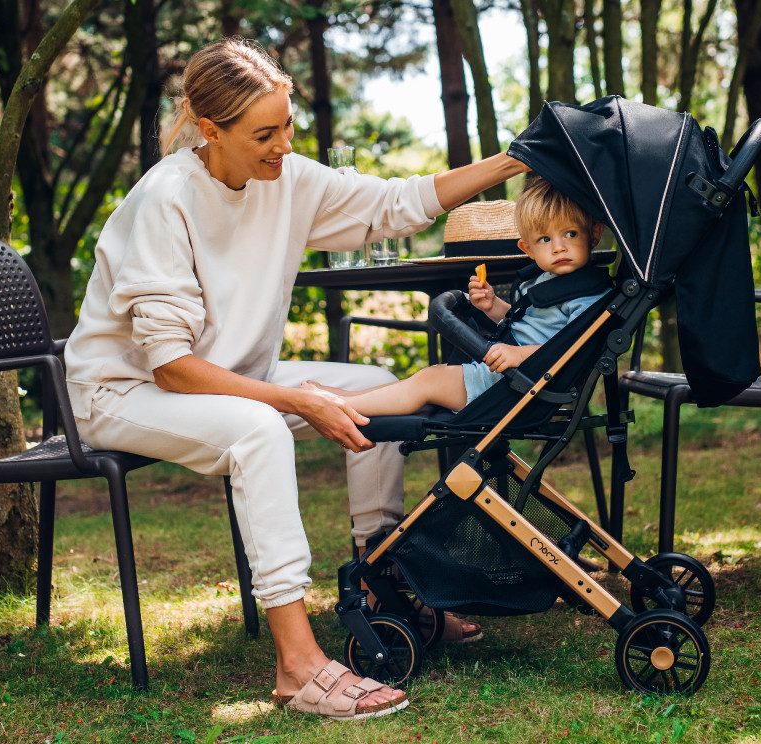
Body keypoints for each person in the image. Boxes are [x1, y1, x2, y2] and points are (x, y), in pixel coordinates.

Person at [63, 37, 527, 720]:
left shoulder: (285, 177)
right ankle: (298, 666)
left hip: (230, 373)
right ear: (209, 128)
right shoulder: (164, 199)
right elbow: (170, 364)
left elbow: (398, 203)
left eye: (287, 126)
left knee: (371, 379)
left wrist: (514, 159)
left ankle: (383, 585)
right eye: (264, 133)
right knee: (258, 430)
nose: (283, 145)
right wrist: (291, 400)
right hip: (125, 392)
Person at [303, 178, 608, 416]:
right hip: (511, 374)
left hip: (527, 383)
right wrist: (494, 307)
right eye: (545, 239)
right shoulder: (544, 280)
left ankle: (341, 403)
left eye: (570, 234)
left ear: (592, 235)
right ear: (526, 249)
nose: (559, 247)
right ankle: (349, 400)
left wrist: (518, 355)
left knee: (430, 380)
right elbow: (526, 323)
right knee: (430, 378)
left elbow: (574, 349)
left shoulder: (588, 295)